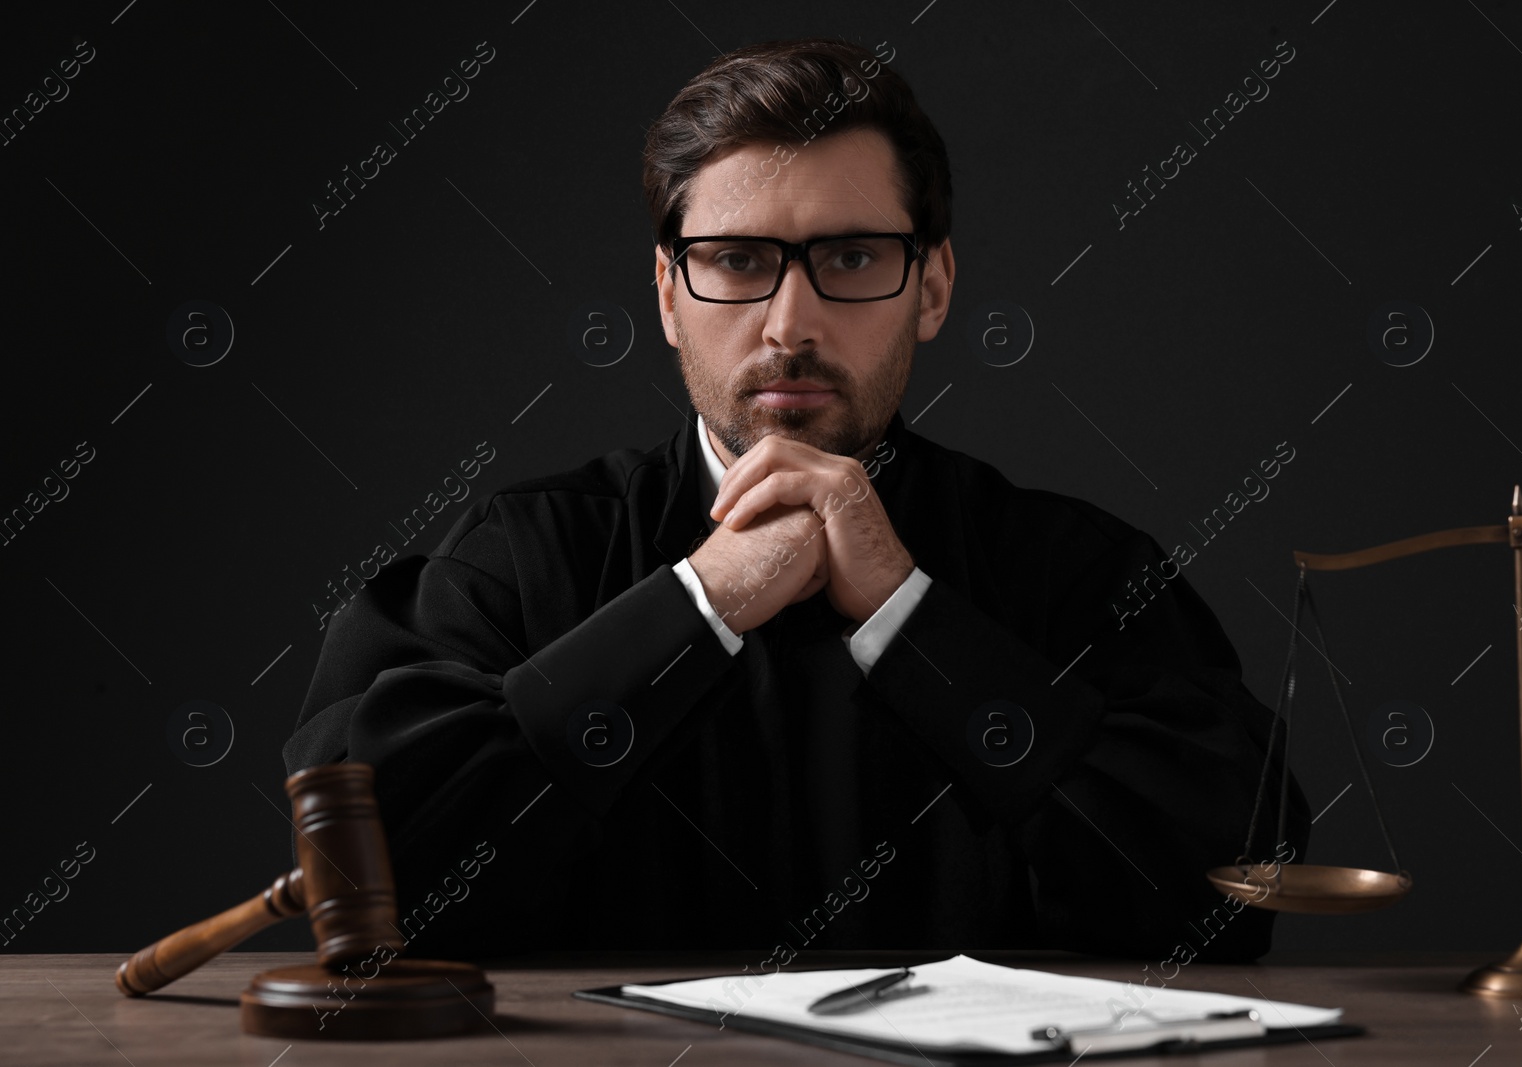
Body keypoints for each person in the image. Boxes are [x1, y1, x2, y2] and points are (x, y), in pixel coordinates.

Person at [285, 37, 1307, 962]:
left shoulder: (1080, 573)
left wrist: (912, 618)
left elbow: (1233, 899)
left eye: (851, 258)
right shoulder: (525, 554)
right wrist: (698, 603)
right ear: (668, 295)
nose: (789, 323)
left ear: (934, 286)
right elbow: (370, 874)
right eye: (736, 261)